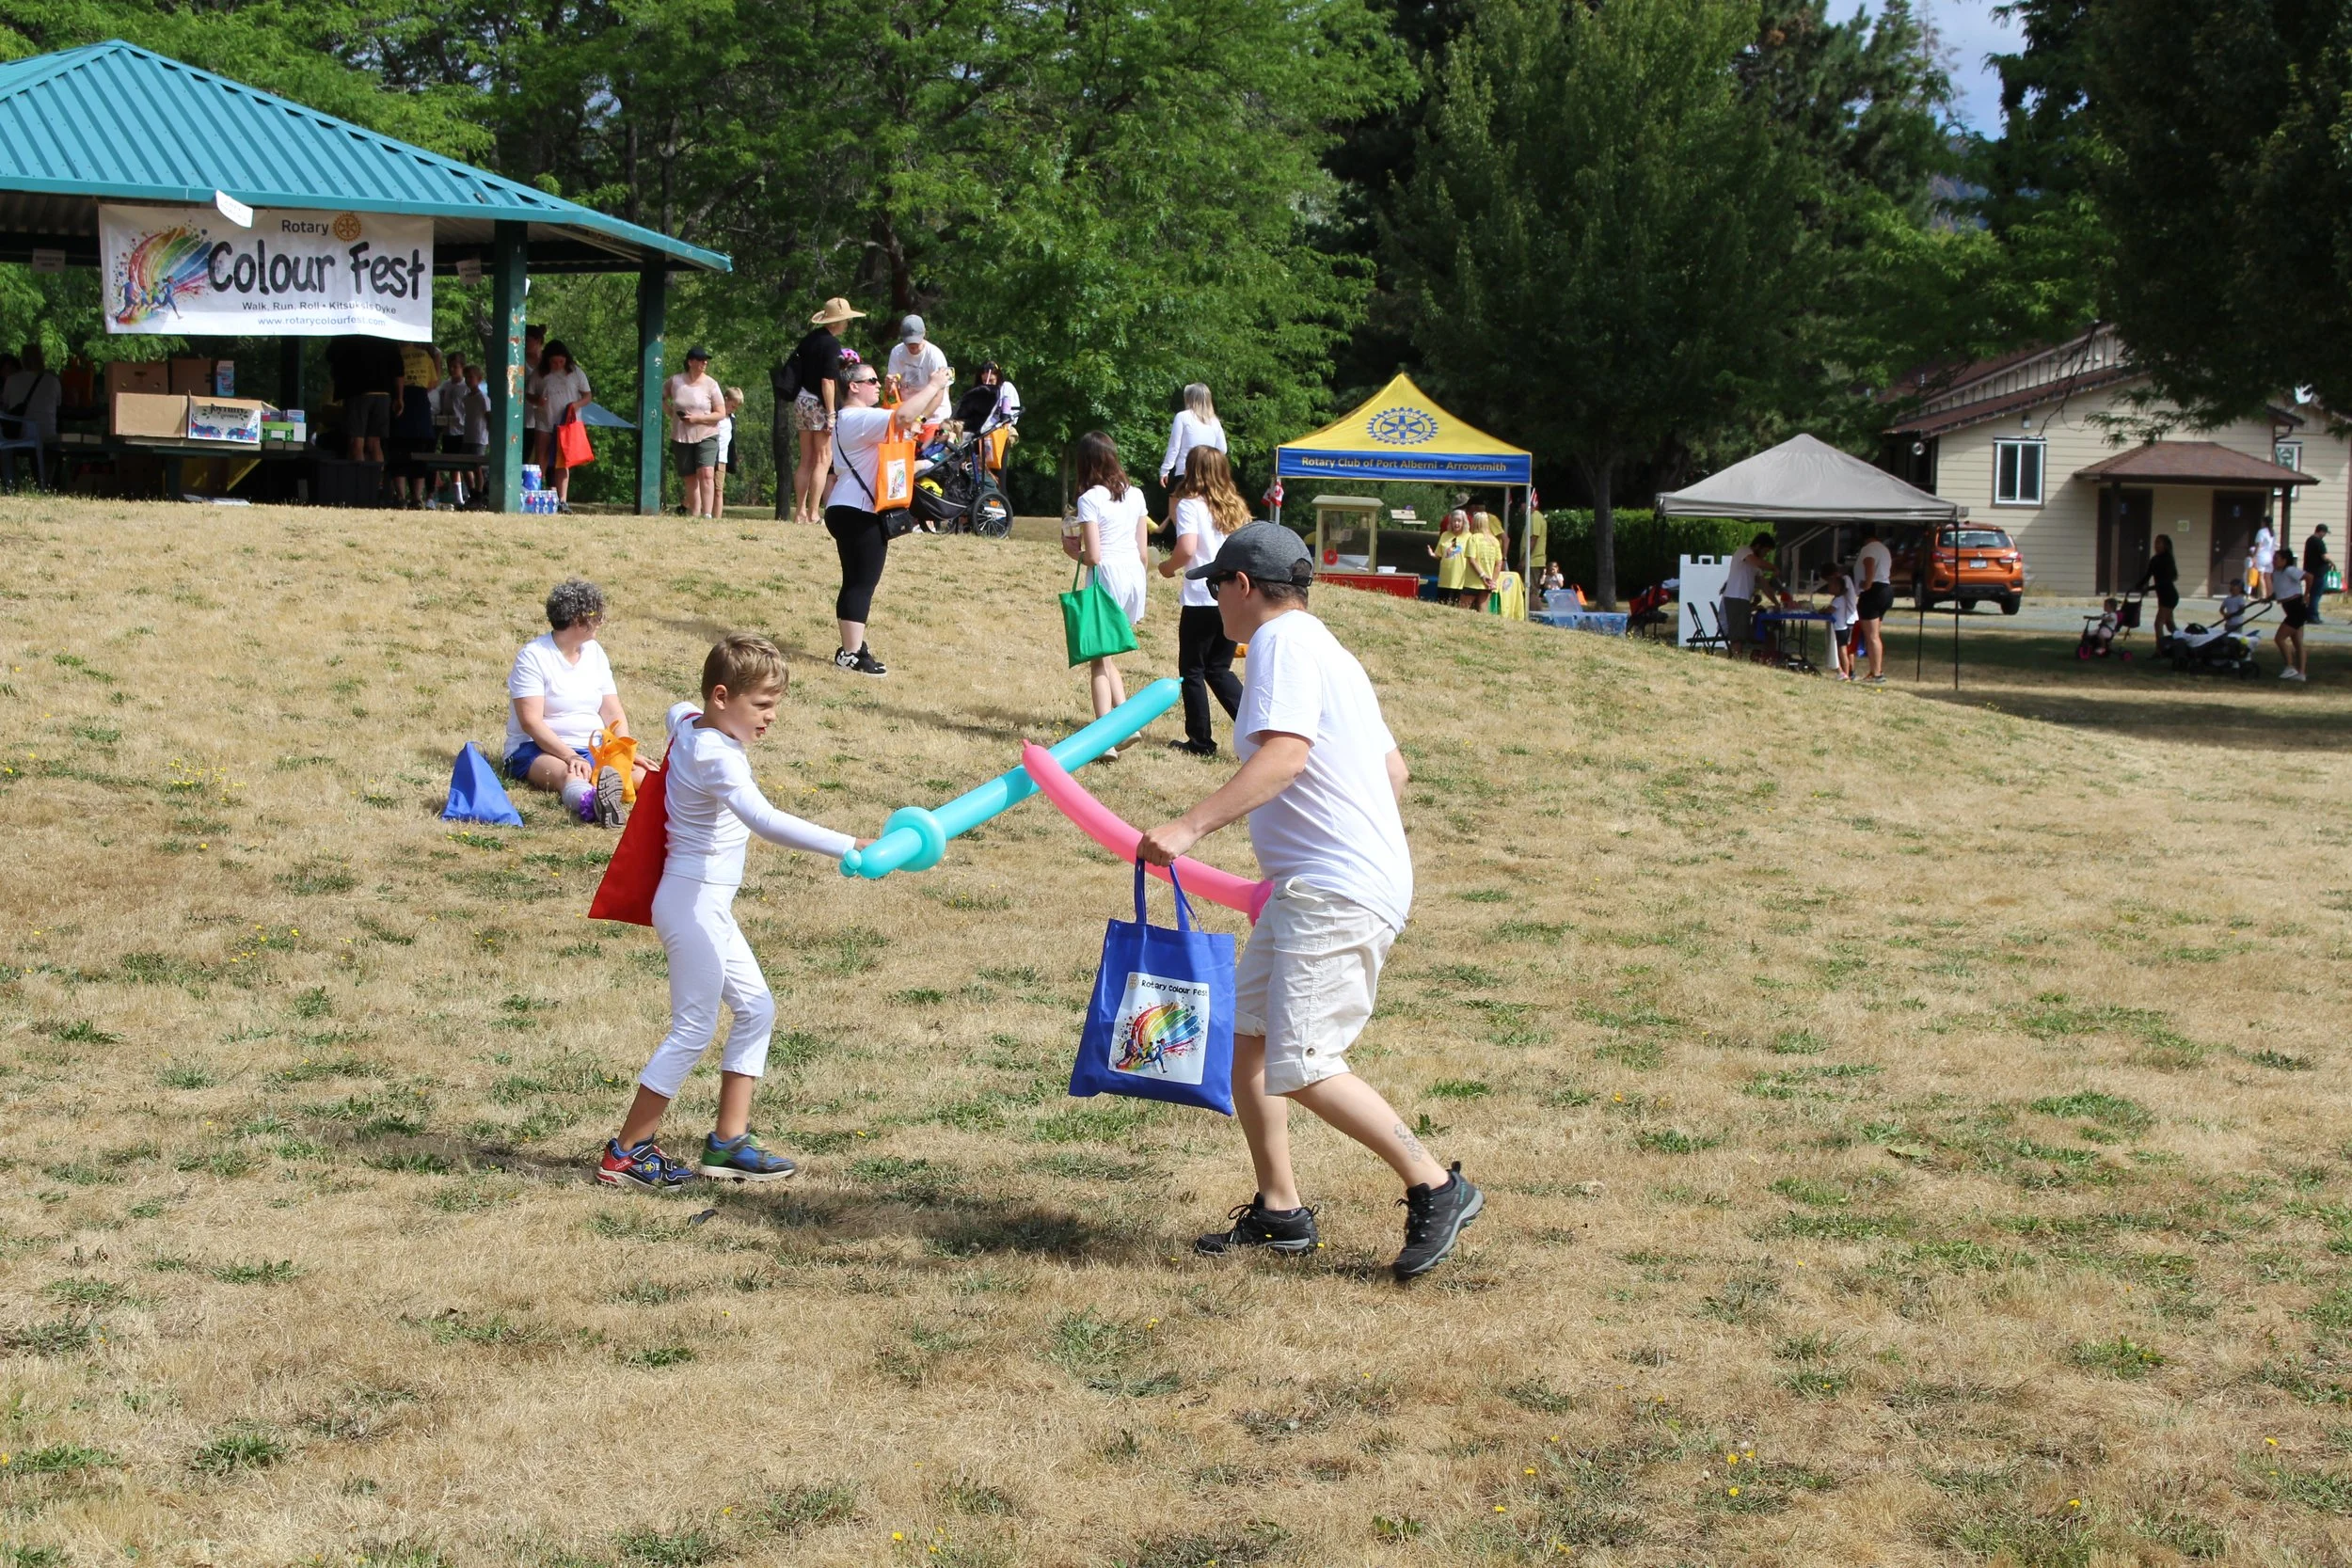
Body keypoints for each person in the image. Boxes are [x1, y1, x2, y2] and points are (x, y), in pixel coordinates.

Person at [1137, 523, 1484, 1282]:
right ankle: (1281, 1210)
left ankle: (1435, 1182)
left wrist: (1190, 827)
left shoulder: (1279, 644)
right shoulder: (1330, 650)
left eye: (1215, 587)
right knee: (1251, 1046)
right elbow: (1394, 773)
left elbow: (1287, 754)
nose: (1213, 603)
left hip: (1333, 887)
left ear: (1243, 587)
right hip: (1320, 883)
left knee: (1303, 1060)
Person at [597, 636, 866, 1192]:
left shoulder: (695, 722)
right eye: (762, 705)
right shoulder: (717, 757)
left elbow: (678, 710)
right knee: (693, 1027)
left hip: (705, 905)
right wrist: (849, 844)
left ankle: (728, 1143)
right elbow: (764, 820)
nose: (771, 717)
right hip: (692, 903)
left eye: (776, 704)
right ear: (723, 697)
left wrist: (684, 714)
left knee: (757, 1009)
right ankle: (625, 1152)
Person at [825, 355, 951, 676]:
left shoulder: (852, 419)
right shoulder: (857, 418)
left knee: (855, 581)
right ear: (853, 387)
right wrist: (934, 384)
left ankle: (852, 647)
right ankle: (852, 653)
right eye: (872, 381)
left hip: (847, 506)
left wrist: (939, 387)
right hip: (859, 510)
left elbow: (915, 414)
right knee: (861, 583)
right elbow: (906, 414)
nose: (878, 386)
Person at [504, 578, 638, 826]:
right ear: (578, 621)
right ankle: (593, 805)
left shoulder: (595, 652)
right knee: (570, 775)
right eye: (597, 615)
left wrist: (623, 750)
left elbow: (612, 709)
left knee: (642, 776)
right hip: (536, 748)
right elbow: (530, 722)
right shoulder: (533, 657)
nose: (601, 621)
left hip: (594, 747)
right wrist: (569, 756)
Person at [1160, 444, 1248, 757]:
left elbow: (1187, 548)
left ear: (1192, 470)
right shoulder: (1235, 506)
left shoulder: (1190, 505)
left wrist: (1167, 568)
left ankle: (1200, 741)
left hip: (1201, 596)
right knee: (1219, 669)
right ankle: (1255, 729)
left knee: (1193, 670)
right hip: (1234, 596)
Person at [1066, 431, 1152, 745]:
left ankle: (1104, 738)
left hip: (1108, 577)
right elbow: (1143, 551)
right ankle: (1128, 725)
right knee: (1108, 656)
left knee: (1098, 660)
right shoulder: (1137, 494)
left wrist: (1071, 550)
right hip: (1134, 577)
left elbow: (1094, 555)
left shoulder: (1089, 500)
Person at [787, 298, 860, 526]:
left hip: (801, 400)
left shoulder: (809, 340)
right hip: (819, 403)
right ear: (839, 321)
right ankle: (813, 513)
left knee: (805, 459)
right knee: (822, 458)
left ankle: (799, 512)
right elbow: (828, 381)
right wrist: (831, 413)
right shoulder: (831, 345)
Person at [665, 346, 727, 518]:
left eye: (706, 360)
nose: (704, 363)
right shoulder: (676, 381)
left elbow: (721, 413)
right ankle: (694, 514)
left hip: (707, 433)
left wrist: (698, 419)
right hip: (681, 435)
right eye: (700, 360)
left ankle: (707, 514)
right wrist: (671, 413)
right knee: (690, 476)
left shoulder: (711, 384)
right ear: (690, 362)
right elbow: (660, 396)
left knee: (706, 472)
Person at [326, 334, 403, 466]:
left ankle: (360, 481)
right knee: (375, 442)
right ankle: (376, 482)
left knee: (356, 441)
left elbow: (330, 355)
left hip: (357, 391)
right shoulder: (386, 334)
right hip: (383, 393)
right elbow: (399, 370)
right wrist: (399, 397)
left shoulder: (348, 333)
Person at [537, 341, 592, 509]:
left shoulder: (576, 372)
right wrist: (537, 401)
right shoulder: (540, 374)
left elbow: (588, 396)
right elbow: (529, 394)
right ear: (548, 360)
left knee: (563, 461)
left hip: (567, 423)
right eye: (554, 362)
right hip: (545, 421)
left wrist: (576, 405)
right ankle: (536, 494)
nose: (558, 365)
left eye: (561, 362)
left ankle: (563, 500)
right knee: (542, 459)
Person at [388, 345, 441, 508]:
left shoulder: (396, 354)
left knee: (398, 450)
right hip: (420, 403)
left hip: (399, 400)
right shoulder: (425, 356)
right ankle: (417, 498)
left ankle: (401, 497)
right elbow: (433, 382)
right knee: (421, 452)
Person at [1158, 384, 1227, 488]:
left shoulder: (1182, 416)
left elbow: (1174, 447)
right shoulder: (1215, 422)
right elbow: (1222, 449)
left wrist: (1165, 470)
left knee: (1176, 501)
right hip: (1208, 474)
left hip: (1185, 471)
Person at [0, 342, 61, 450]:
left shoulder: (12, 380)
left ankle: (9, 466)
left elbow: (5, 405)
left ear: (22, 359)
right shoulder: (53, 381)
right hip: (48, 436)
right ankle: (44, 466)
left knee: (4, 442)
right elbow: (58, 404)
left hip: (20, 437)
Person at [1853, 525, 1894, 684]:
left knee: (1872, 636)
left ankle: (1877, 673)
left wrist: (1865, 584)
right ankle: (1875, 670)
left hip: (1873, 592)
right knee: (1875, 634)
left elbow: (1869, 565)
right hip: (1886, 589)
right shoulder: (1884, 549)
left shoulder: (1869, 549)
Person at [1721, 532, 1773, 654]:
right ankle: (1736, 659)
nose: (1765, 555)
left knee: (1750, 633)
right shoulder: (1744, 551)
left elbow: (1764, 584)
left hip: (1743, 599)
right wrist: (1773, 568)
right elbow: (1758, 562)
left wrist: (1775, 602)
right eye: (1765, 551)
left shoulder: (1755, 564)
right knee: (1737, 636)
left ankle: (1768, 657)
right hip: (1735, 597)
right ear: (1758, 546)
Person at [887, 315, 947, 411]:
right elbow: (892, 390)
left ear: (924, 333)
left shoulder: (935, 355)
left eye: (916, 342)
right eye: (910, 343)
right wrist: (891, 385)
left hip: (932, 415)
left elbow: (939, 395)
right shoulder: (897, 352)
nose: (913, 346)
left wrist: (920, 420)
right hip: (908, 411)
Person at [2134, 532, 2181, 645]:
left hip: (2169, 595)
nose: (2156, 545)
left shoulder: (2168, 559)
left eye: (2159, 543)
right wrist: (2138, 586)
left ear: (2165, 545)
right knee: (2170, 624)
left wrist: (2149, 588)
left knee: (2158, 623)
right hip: (2162, 595)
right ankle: (2183, 641)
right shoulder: (2155, 559)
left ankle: (2160, 650)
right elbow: (2148, 575)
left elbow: (2170, 578)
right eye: (2155, 542)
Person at [2269, 547, 2309, 681]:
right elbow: (2280, 591)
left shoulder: (2290, 570)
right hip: (2289, 607)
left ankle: (2290, 666)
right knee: (2297, 642)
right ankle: (2301, 674)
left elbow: (2309, 577)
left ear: (2285, 560)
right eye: (2273, 558)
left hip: (2297, 607)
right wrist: (2269, 598)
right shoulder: (2276, 573)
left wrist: (2307, 594)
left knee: (2279, 638)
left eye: (2276, 558)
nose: (2274, 561)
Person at [1460, 508, 1503, 613]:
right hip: (1487, 584)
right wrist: (1492, 581)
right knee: (1483, 610)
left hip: (1473, 582)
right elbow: (1499, 563)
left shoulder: (1473, 538)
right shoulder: (1495, 541)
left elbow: (1472, 560)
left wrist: (1482, 575)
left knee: (1462, 610)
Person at [710, 387, 744, 520]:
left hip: (722, 459)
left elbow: (731, 440)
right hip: (709, 455)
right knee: (704, 486)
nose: (733, 409)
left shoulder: (731, 419)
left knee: (718, 490)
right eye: (732, 406)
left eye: (736, 408)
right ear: (725, 400)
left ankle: (716, 518)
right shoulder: (714, 415)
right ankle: (690, 509)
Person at [1428, 509, 1470, 603]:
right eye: (1454, 521)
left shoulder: (1469, 537)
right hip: (1445, 579)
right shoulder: (1445, 535)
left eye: (1459, 521)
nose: (1456, 523)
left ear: (1464, 522)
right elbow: (1439, 555)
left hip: (1461, 581)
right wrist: (1432, 554)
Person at [1824, 564, 1857, 680]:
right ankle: (1845, 672)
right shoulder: (1838, 598)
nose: (1829, 588)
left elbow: (1830, 610)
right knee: (1841, 650)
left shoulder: (1839, 598)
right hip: (1842, 626)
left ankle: (1847, 674)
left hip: (1842, 628)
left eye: (1831, 585)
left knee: (1843, 651)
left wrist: (1822, 611)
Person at [2303, 525, 2331, 626]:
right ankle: (2313, 616)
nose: (2324, 535)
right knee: (2316, 595)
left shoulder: (2309, 540)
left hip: (2310, 571)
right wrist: (2330, 561)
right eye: (2324, 533)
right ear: (2321, 531)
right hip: (2318, 572)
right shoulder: (2319, 542)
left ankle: (2308, 614)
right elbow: (2324, 556)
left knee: (2312, 594)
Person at [2251, 521, 2277, 596]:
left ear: (2264, 523)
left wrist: (2254, 556)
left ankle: (2263, 595)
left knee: (2261, 576)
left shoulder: (2261, 532)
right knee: (2268, 577)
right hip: (2270, 556)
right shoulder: (2272, 532)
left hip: (2262, 556)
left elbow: (2258, 545)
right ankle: (2270, 595)